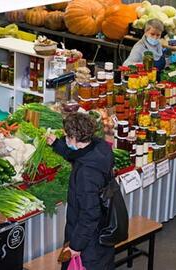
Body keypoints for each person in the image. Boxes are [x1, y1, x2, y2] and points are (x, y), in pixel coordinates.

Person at [47, 113, 115, 270]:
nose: (65, 139)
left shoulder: (86, 174)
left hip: (89, 245)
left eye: (66, 136)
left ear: (73, 138)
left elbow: (89, 214)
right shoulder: (99, 147)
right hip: (102, 232)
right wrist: (57, 144)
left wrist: (75, 246)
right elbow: (78, 155)